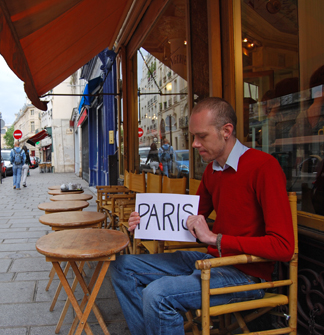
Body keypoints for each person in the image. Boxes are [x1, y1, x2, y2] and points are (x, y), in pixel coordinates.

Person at [110, 97, 294, 335]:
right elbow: (188, 219)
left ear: (226, 131)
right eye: (192, 137)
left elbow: (283, 247)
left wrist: (216, 239)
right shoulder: (213, 170)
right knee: (122, 266)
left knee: (157, 294)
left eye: (201, 136)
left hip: (247, 274)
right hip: (212, 259)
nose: (195, 144)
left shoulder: (263, 167)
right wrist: (147, 222)